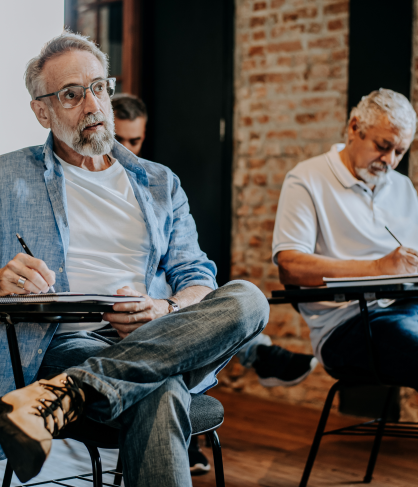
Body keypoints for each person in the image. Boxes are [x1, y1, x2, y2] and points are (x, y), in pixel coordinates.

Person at [0, 32, 270, 486]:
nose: (91, 105)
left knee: (249, 299)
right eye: (71, 94)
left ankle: (70, 393)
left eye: (99, 87)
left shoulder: (159, 183)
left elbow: (197, 276)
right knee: (160, 388)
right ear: (41, 111)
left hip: (165, 333)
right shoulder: (3, 178)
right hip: (66, 346)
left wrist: (165, 309)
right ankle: (76, 383)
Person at [113, 92, 318, 475]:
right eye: (118, 139)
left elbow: (193, 268)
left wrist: (179, 299)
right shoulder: (93, 192)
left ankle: (253, 354)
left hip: (164, 305)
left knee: (237, 297)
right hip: (120, 311)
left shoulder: (161, 186)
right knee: (180, 326)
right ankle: (257, 355)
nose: (127, 150)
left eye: (134, 141)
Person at [272, 88, 418, 388]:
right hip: (347, 324)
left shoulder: (403, 188)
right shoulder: (307, 179)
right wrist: (379, 268)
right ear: (354, 128)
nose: (389, 160)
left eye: (400, 152)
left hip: (409, 308)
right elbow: (290, 267)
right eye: (383, 145)